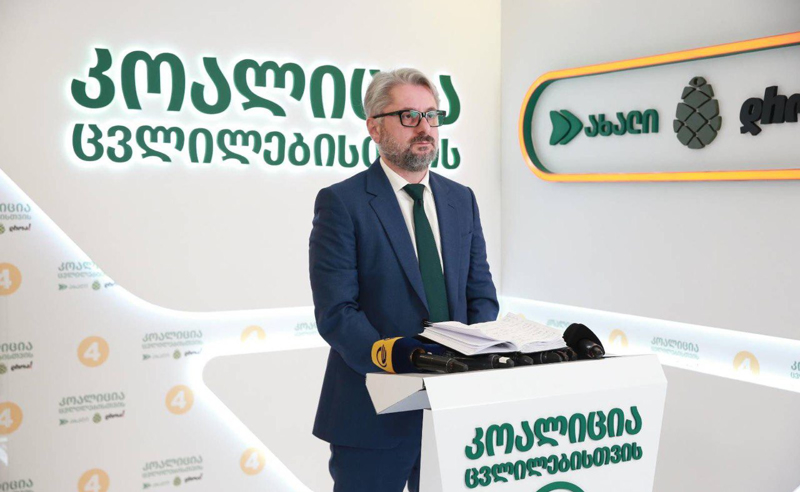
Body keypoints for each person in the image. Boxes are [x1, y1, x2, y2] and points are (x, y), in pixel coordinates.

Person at [309, 68, 498, 492]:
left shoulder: (461, 199)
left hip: (455, 411)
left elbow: (481, 295)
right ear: (375, 128)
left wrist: (476, 357)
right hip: (372, 416)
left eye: (432, 115)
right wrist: (404, 361)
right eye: (409, 116)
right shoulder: (342, 203)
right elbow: (338, 312)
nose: (425, 128)